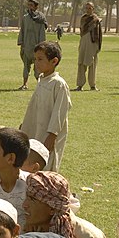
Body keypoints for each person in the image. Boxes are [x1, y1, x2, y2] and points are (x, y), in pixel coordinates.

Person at [24, 171, 110, 238]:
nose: (24, 205)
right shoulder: (31, 230)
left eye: (32, 199)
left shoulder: (89, 237)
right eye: (27, 197)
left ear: (52, 208)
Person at [20, 41, 71, 171]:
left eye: (40, 59)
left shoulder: (59, 84)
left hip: (48, 134)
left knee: (46, 165)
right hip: (35, 129)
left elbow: (59, 113)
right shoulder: (42, 80)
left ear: (54, 61)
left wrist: (52, 136)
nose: (36, 63)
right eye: (35, 59)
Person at [16, 0, 47, 90]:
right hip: (27, 46)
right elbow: (22, 30)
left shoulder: (40, 19)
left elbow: (42, 33)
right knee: (26, 66)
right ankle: (25, 84)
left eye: (31, 5)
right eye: (28, 5)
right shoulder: (25, 18)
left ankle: (40, 84)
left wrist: (42, 46)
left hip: (37, 46)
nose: (29, 7)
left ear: (36, 7)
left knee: (38, 67)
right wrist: (21, 43)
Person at [73, 1, 102, 92]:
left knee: (92, 64)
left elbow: (99, 33)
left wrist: (98, 45)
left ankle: (92, 85)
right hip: (83, 42)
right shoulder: (83, 19)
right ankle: (80, 85)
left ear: (93, 9)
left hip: (92, 43)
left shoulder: (96, 19)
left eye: (90, 8)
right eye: (87, 8)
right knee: (81, 63)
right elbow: (82, 31)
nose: (88, 10)